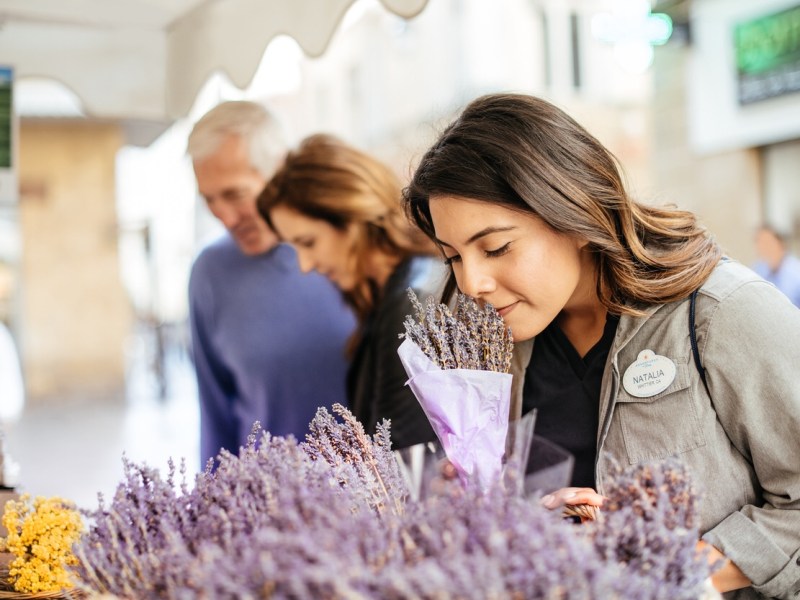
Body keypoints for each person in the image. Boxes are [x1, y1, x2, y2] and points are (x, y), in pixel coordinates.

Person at [403, 93, 800, 599]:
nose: (474, 281)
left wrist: (667, 567)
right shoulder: (490, 347)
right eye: (453, 256)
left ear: (573, 214)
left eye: (496, 247)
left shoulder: (725, 313)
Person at [186, 102, 356, 467]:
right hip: (267, 509)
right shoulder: (210, 274)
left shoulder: (352, 248)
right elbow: (215, 418)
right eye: (209, 200)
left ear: (281, 171)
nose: (225, 217)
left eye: (234, 195)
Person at [257, 133, 444, 450]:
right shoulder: (391, 294)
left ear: (352, 217)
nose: (304, 265)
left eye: (308, 243)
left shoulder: (408, 302)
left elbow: (403, 455)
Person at [752, 224, 800, 307]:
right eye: (760, 242)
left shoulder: (796, 272)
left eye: (768, 242)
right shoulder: (758, 269)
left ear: (780, 243)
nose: (764, 247)